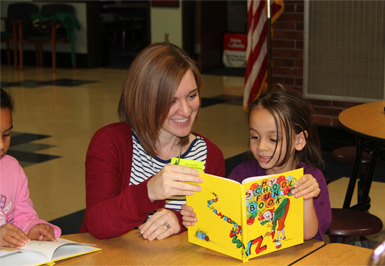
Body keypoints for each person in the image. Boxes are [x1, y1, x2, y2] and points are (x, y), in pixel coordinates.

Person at [79, 42, 225, 240]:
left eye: (192, 96)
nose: (186, 110)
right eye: (172, 101)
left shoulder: (210, 156)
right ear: (145, 100)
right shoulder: (110, 143)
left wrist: (179, 223)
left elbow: (214, 223)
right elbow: (97, 224)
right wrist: (149, 191)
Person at [181, 87, 332, 241]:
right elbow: (223, 218)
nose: (261, 147)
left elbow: (308, 234)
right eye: (254, 137)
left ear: (298, 141)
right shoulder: (242, 174)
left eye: (273, 139)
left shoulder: (311, 180)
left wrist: (306, 198)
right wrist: (196, 216)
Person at [0, 88, 61, 248]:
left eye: (6, 134)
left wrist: (32, 227)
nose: (1, 145)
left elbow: (22, 215)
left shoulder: (12, 168)